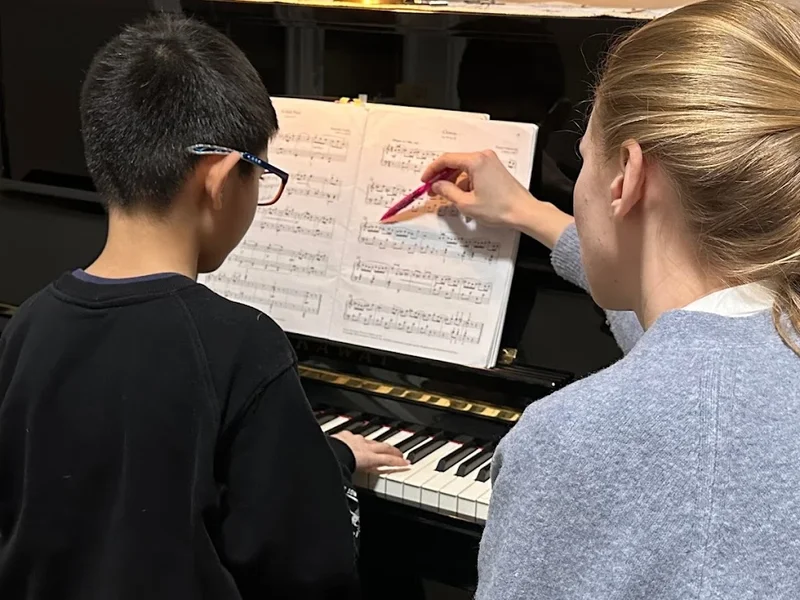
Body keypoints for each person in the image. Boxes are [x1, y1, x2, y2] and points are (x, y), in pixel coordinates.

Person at [0, 14, 406, 600]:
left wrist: (326, 457)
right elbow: (305, 567)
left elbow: (129, 463)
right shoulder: (240, 344)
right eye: (259, 174)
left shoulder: (30, 323)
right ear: (218, 178)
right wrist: (326, 480)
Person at [421, 0, 800, 597]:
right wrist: (528, 213)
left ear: (625, 175)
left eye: (581, 161)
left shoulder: (573, 441)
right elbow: (686, 340)